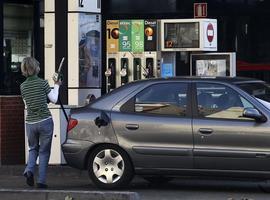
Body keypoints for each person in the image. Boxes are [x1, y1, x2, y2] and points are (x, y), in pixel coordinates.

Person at [20, 57, 61, 189]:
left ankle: (29, 170)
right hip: (45, 121)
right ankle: (41, 181)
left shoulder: (23, 86)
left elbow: (27, 104)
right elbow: (54, 99)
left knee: (33, 149)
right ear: (36, 68)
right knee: (44, 152)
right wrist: (57, 85)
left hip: (30, 123)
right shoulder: (43, 83)